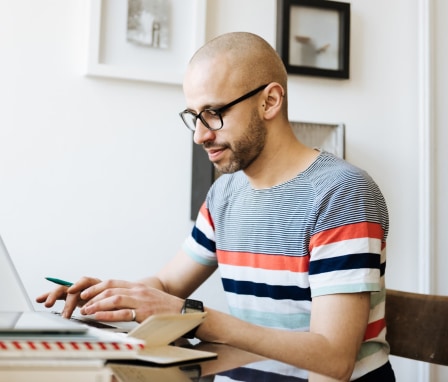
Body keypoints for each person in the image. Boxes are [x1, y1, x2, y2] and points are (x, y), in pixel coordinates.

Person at [37, 32, 395, 381]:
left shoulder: (341, 194)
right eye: (194, 116)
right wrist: (108, 298)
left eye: (212, 113)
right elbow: (167, 284)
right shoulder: (224, 193)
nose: (200, 134)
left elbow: (335, 359)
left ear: (269, 101)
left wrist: (194, 316)